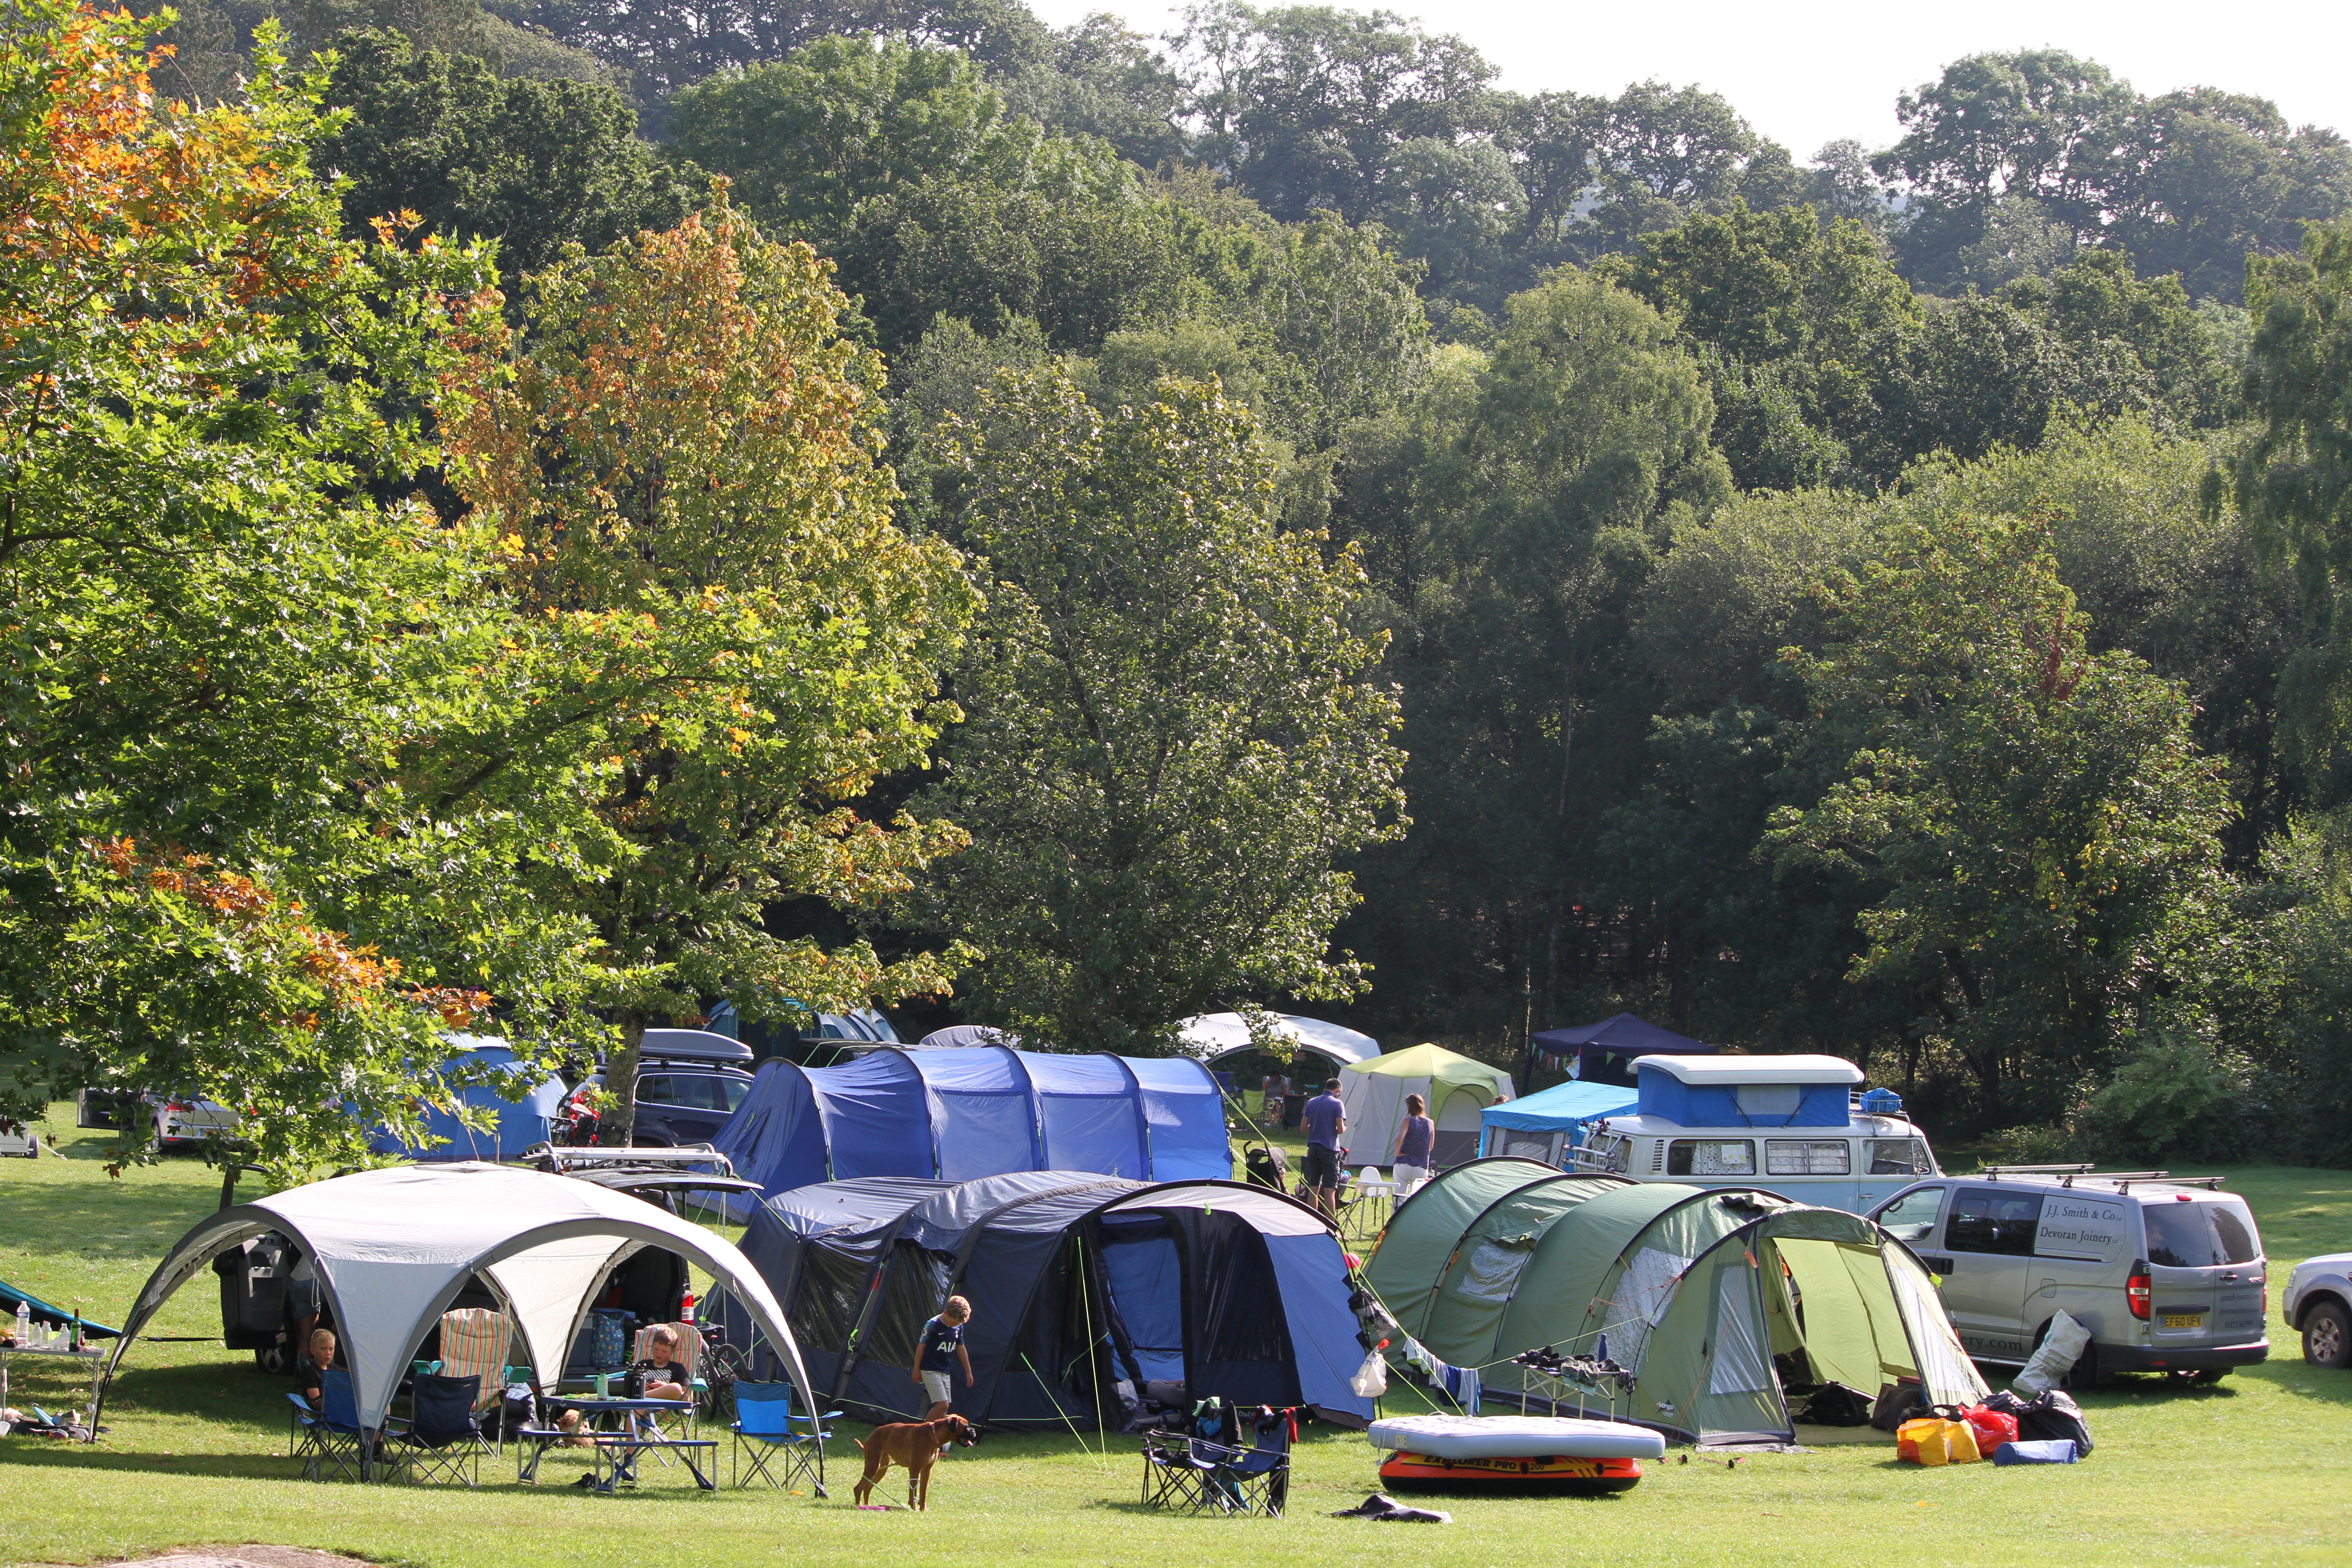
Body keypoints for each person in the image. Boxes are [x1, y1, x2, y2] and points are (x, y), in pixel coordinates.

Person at [912, 1295, 974, 1421]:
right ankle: (923, 1432)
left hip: (945, 1371)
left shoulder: (958, 1327)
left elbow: (961, 1349)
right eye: (953, 1322)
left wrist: (968, 1372)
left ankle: (938, 1434)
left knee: (944, 1410)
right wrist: (916, 1370)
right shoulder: (933, 1324)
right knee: (942, 1405)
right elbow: (921, 1347)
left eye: (958, 1323)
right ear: (946, 1313)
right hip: (930, 1369)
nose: (955, 1325)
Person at [1301, 1078, 1347, 1215]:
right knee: (1330, 1189)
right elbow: (1340, 1130)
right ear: (1337, 1090)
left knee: (1313, 1188)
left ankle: (1312, 1221)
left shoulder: (1312, 1102)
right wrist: (1344, 1127)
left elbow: (1303, 1128)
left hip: (1313, 1148)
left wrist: (1317, 1126)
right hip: (1329, 1149)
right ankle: (1330, 1223)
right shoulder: (1338, 1104)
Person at [1390, 1092, 1436, 1199]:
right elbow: (1431, 1147)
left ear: (1410, 1106)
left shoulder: (1408, 1121)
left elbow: (1399, 1139)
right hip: (1421, 1166)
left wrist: (1397, 1153)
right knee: (1416, 1199)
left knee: (1400, 1196)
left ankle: (1399, 1209)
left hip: (1404, 1163)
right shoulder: (1430, 1123)